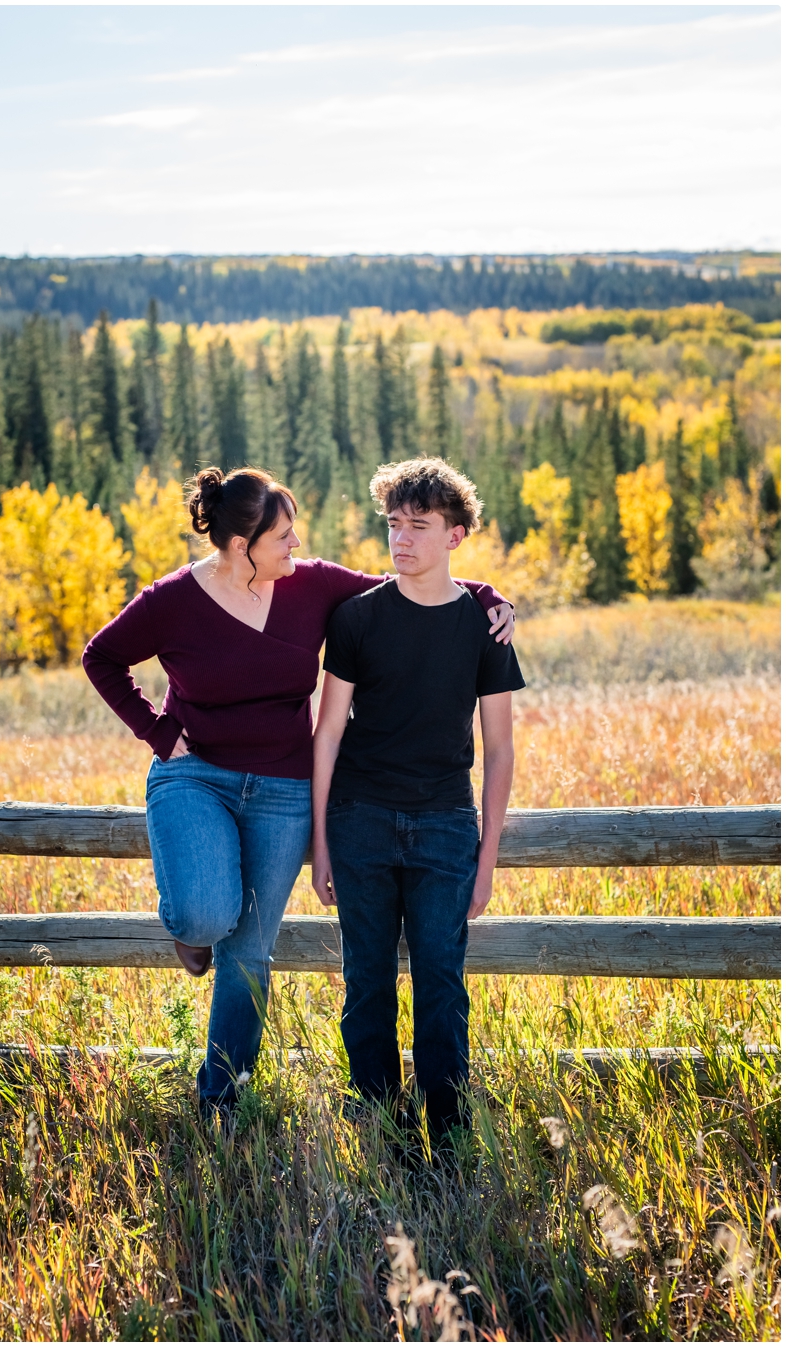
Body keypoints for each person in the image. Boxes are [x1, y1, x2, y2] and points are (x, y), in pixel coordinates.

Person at [81, 466, 514, 1121]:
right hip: (195, 773)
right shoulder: (172, 600)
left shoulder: (310, 584)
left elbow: (410, 586)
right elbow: (101, 656)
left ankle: (220, 1101)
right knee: (206, 915)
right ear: (238, 546)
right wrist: (158, 730)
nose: (296, 545)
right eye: (282, 537)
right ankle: (191, 928)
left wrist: (485, 594)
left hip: (284, 783)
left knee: (251, 951)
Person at [310, 458, 522, 1153]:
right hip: (361, 820)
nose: (402, 539)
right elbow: (329, 729)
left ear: (456, 533)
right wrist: (321, 841)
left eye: (419, 525)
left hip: (444, 826)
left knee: (440, 986)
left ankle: (450, 1146)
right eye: (394, 524)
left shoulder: (484, 626)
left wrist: (485, 861)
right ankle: (382, 1140)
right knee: (366, 984)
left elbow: (498, 750)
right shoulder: (358, 618)